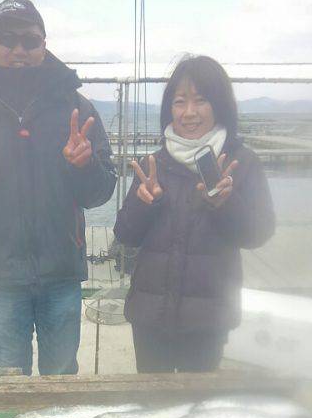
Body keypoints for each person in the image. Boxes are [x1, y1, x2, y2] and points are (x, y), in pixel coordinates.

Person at [0, 0, 116, 375]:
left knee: (61, 372)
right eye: (6, 39)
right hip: (0, 271)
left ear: (44, 44)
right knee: (6, 372)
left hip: (61, 270)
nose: (18, 49)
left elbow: (101, 191)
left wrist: (83, 166)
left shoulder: (76, 107)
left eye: (29, 40)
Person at [114, 55, 275, 373]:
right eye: (180, 102)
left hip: (208, 318)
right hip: (149, 315)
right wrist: (144, 204)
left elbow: (258, 233)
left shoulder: (241, 162)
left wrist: (226, 204)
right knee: (152, 404)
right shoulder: (154, 163)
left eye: (201, 101)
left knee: (196, 407)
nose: (189, 112)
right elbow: (125, 233)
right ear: (169, 109)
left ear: (220, 105)